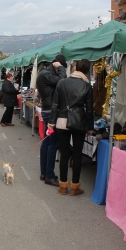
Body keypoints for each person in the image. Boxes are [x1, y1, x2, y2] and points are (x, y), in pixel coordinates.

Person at [48, 59, 93, 195]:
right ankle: (75, 187)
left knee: (64, 153)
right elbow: (89, 110)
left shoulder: (62, 83)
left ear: (75, 67)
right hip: (79, 121)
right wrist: (90, 128)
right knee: (77, 154)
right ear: (86, 70)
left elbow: (55, 105)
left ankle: (63, 186)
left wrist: (51, 123)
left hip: (62, 121)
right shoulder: (87, 86)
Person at [36, 55, 67, 186]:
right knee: (52, 144)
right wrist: (60, 67)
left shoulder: (45, 74)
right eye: (61, 66)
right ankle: (49, 175)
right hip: (51, 112)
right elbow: (62, 81)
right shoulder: (46, 74)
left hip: (48, 110)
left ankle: (44, 173)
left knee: (47, 143)